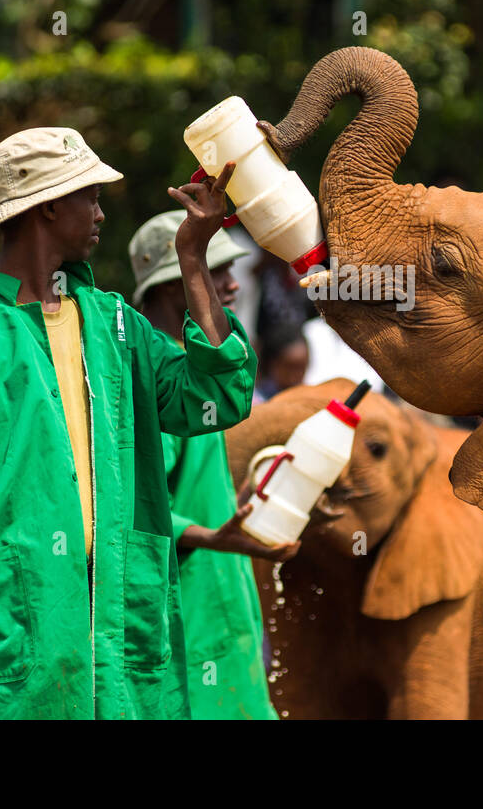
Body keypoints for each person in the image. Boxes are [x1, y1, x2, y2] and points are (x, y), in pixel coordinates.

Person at [0, 127, 256, 719]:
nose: (102, 213)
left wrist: (192, 256)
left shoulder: (117, 327)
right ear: (49, 205)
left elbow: (217, 395)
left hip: (123, 657)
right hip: (7, 669)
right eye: (92, 197)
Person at [130, 210, 297, 719]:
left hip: (222, 594)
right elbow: (136, 511)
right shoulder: (166, 386)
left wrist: (231, 509)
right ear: (167, 287)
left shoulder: (194, 371)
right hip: (187, 607)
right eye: (209, 270)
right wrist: (213, 536)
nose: (229, 283)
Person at [255, 325, 310, 404]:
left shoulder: (316, 396)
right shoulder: (256, 402)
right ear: (273, 363)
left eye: (301, 368)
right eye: (289, 368)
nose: (294, 377)